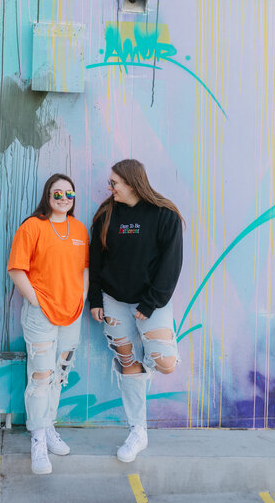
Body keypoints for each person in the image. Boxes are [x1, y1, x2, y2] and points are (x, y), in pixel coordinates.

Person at [89, 159, 183, 462]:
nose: (110, 187)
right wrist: (95, 299)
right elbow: (96, 260)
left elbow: (171, 263)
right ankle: (137, 431)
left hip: (150, 302)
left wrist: (150, 302)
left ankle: (153, 353)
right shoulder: (107, 214)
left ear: (131, 182)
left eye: (114, 182)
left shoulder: (164, 214)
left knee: (165, 362)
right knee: (128, 360)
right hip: (114, 299)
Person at [8, 173, 89, 475]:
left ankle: (49, 426)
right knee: (41, 376)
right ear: (48, 196)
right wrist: (37, 302)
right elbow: (17, 270)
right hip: (41, 314)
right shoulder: (32, 227)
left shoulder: (79, 229)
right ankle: (38, 439)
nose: (64, 199)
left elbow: (83, 269)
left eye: (70, 194)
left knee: (59, 375)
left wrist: (80, 298)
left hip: (71, 314)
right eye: (58, 194)